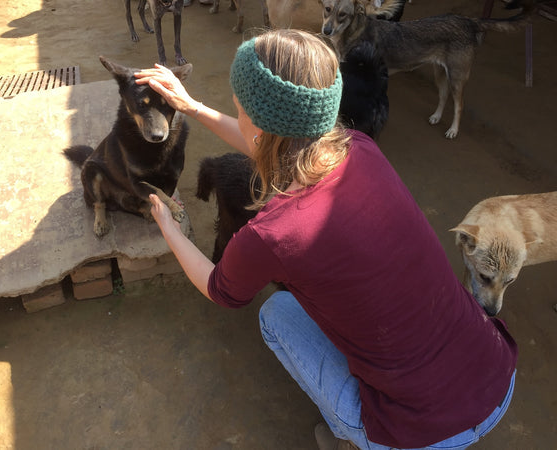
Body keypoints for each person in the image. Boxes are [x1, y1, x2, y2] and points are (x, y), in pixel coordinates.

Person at [134, 29, 518, 450]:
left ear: (258, 124)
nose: (236, 108)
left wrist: (169, 227)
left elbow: (218, 289)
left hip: (423, 433)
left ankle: (353, 437)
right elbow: (267, 144)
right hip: (495, 371)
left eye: (237, 104)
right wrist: (191, 106)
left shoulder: (272, 234)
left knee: (276, 311)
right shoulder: (361, 148)